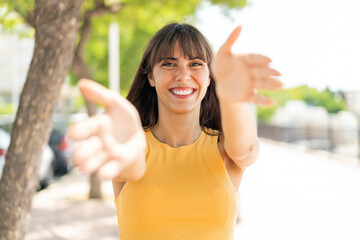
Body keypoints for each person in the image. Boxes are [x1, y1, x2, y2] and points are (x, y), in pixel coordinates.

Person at [68, 23, 282, 239]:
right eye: (169, 63)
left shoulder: (225, 149)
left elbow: (245, 149)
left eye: (195, 63)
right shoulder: (133, 146)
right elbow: (132, 164)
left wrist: (233, 99)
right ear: (151, 76)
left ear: (209, 77)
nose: (183, 75)